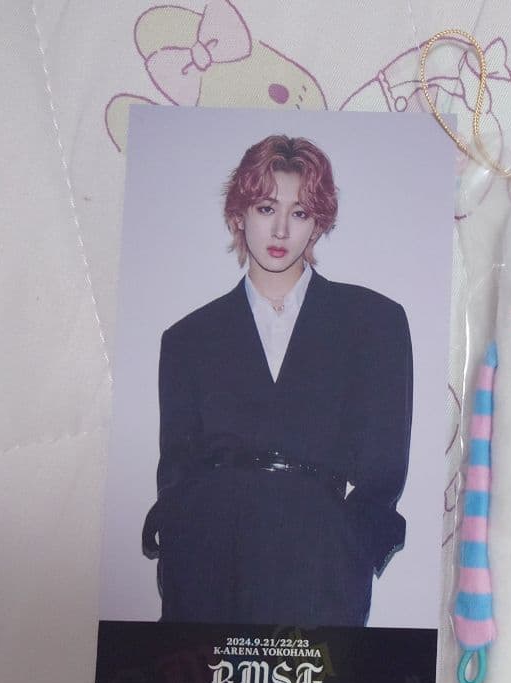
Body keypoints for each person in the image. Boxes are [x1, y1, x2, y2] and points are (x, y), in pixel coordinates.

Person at [141, 134, 413, 626]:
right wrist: (180, 542)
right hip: (206, 565)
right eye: (267, 208)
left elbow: (385, 464)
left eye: (300, 212)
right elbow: (176, 469)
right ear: (239, 214)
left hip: (321, 565)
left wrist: (352, 550)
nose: (281, 229)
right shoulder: (187, 338)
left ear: (318, 224)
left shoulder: (373, 322)